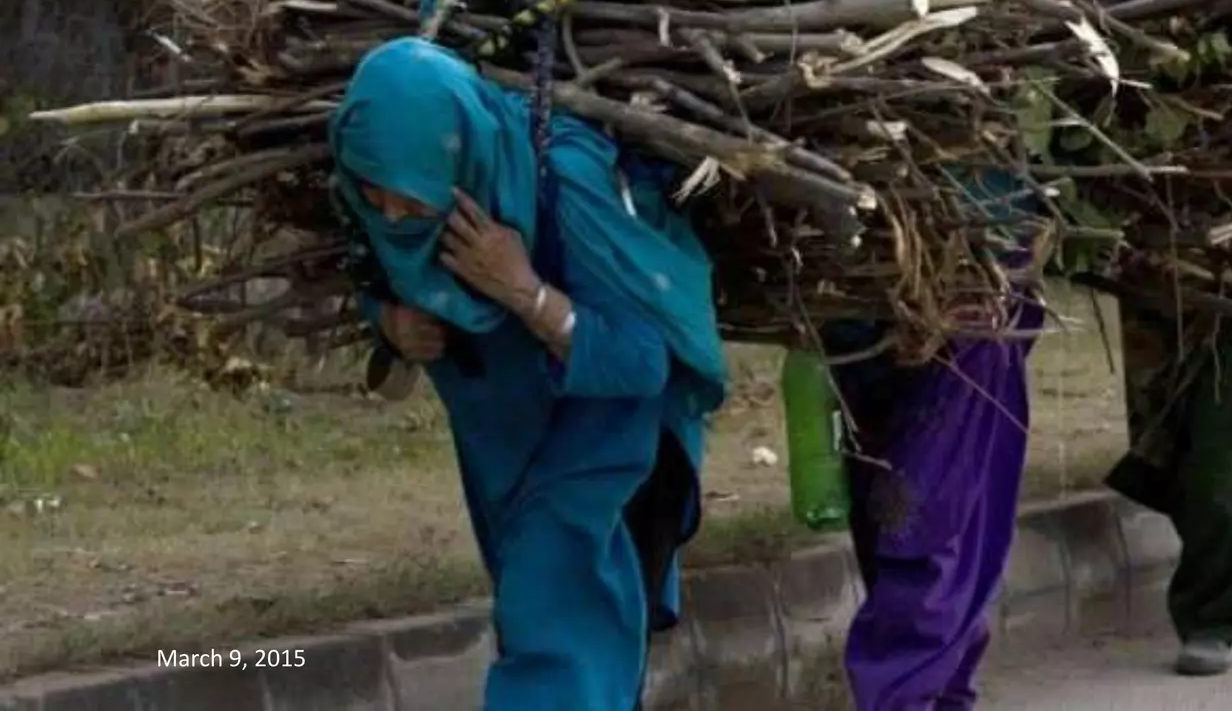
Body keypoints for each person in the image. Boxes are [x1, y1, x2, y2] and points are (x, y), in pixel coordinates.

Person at [332, 37, 727, 710]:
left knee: (557, 645)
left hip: (611, 454)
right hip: (505, 456)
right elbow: (371, 277)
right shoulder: (372, 190)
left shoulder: (567, 182)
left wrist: (526, 294)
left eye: (415, 203)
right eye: (379, 198)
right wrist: (393, 325)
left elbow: (643, 361)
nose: (396, 220)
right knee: (563, 644)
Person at [820, 169, 1044, 710]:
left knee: (931, 538)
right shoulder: (844, 154)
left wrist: (979, 296)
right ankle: (929, 695)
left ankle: (924, 697)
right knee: (894, 532)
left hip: (964, 368)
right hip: (867, 359)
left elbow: (1024, 245)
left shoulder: (988, 169)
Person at [1104, 249, 1232, 677]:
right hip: (1155, 262)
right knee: (1166, 443)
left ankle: (1212, 613)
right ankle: (1222, 573)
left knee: (1224, 456)